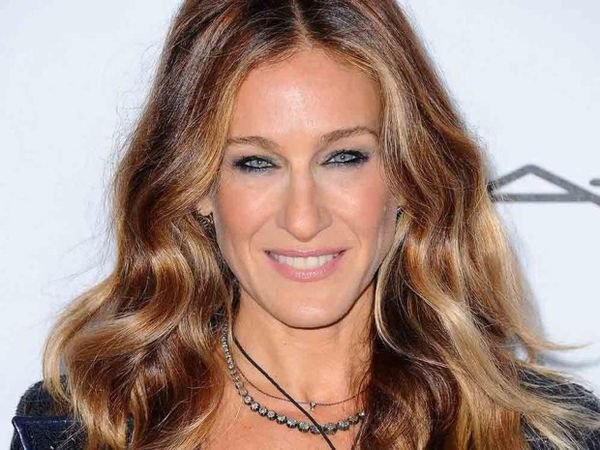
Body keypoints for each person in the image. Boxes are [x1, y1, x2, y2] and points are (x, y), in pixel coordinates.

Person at [10, 1, 600, 449]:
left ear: (407, 174)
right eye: (255, 163)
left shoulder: (544, 432)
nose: (302, 219)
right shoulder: (85, 425)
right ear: (198, 189)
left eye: (343, 157)